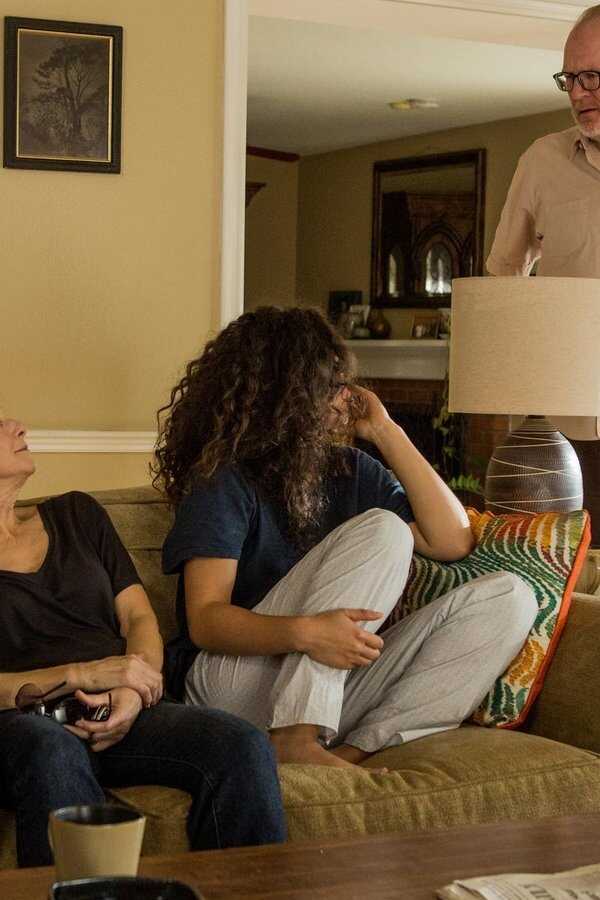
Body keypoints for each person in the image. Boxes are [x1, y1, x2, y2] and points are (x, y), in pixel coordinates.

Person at [155, 306, 537, 770]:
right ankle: (295, 737)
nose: (344, 398)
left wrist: (385, 430)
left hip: (325, 686)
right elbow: (205, 621)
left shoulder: (352, 471)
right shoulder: (224, 479)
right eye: (330, 385)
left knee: (511, 598)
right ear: (286, 395)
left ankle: (353, 752)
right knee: (386, 529)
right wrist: (307, 633)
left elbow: (452, 541)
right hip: (227, 686)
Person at [0, 416, 286, 868]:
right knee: (50, 748)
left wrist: (134, 690)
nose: (16, 425)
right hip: (22, 722)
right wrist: (83, 674)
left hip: (118, 703)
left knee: (242, 746)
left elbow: (138, 618)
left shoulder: (77, 514)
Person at [487, 5, 600, 281]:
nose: (576, 93)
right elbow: (504, 278)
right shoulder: (542, 160)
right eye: (569, 78)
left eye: (590, 77)